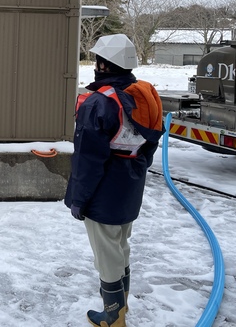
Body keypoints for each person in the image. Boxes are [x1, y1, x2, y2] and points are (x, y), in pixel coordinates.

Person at [64, 34, 163, 327]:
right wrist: (138, 168)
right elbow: (151, 143)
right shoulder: (145, 95)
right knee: (120, 244)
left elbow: (87, 160)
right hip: (130, 184)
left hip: (103, 191)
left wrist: (78, 199)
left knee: (106, 253)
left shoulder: (98, 103)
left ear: (105, 65)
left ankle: (113, 317)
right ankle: (123, 305)